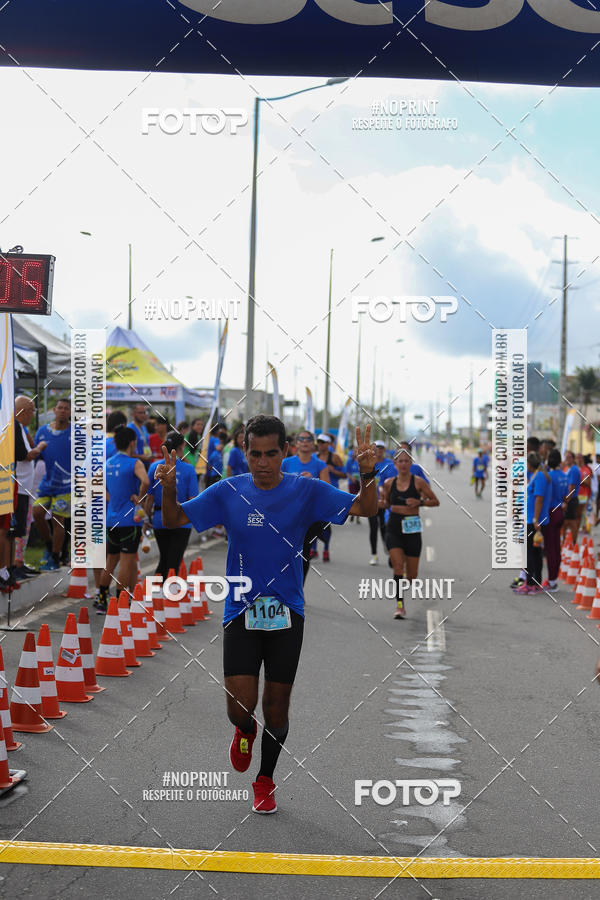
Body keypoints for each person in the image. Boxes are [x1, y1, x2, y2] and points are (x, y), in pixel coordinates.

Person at [155, 415, 378, 814]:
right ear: (245, 453)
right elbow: (173, 520)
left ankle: (265, 780)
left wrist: (367, 472)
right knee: (238, 707)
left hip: (287, 612)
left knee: (277, 708)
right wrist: (168, 490)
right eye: (254, 454)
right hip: (240, 610)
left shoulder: (306, 490)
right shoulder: (228, 491)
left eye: (271, 454)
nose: (262, 463)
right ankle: (244, 730)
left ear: (285, 452)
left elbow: (366, 507)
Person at [382, 446, 440, 619]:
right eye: (400, 461)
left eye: (407, 461)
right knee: (398, 566)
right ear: (395, 464)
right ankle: (400, 606)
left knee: (412, 576)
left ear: (411, 463)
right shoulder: (388, 483)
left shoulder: (418, 482)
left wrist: (419, 502)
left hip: (412, 527)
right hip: (393, 526)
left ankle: (405, 571)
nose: (404, 464)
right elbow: (385, 504)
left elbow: (435, 501)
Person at [96, 426, 149, 612]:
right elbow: (146, 482)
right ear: (132, 442)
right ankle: (120, 600)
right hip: (129, 520)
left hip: (111, 519)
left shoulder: (108, 462)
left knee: (111, 560)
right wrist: (139, 498)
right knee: (126, 561)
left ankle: (101, 598)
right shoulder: (135, 463)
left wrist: (112, 499)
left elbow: (98, 486)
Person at [146, 431, 198, 580]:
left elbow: (149, 498)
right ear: (182, 446)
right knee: (173, 562)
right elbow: (193, 498)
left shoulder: (154, 467)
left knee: (165, 559)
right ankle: (165, 597)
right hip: (181, 522)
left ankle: (157, 594)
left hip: (159, 519)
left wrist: (146, 520)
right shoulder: (188, 469)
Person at [281, 430, 329, 577]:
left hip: (309, 518)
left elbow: (327, 491)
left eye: (308, 439)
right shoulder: (286, 463)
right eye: (301, 439)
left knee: (303, 555)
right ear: (296, 443)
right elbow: (276, 486)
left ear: (312, 443)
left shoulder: (320, 465)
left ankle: (298, 592)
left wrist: (313, 481)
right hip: (287, 515)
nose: (305, 441)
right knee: (284, 554)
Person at [33, 399, 71, 571]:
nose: (62, 411)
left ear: (70, 412)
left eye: (66, 409)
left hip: (67, 485)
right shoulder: (42, 432)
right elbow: (35, 457)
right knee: (37, 513)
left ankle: (56, 557)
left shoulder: (77, 433)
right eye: (60, 408)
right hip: (48, 484)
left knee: (58, 520)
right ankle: (50, 547)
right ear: (54, 410)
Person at [12, 396, 46, 581]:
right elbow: (27, 455)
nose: (33, 415)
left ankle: (19, 561)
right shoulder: (14, 427)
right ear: (23, 411)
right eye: (32, 411)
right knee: (16, 529)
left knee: (23, 527)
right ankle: (14, 564)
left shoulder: (21, 429)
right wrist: (41, 446)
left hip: (24, 488)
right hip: (19, 488)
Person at [514, 452, 551, 595]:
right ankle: (535, 582)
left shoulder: (540, 476)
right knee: (535, 552)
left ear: (530, 464)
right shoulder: (537, 474)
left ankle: (530, 583)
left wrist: (536, 519)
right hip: (531, 519)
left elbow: (539, 499)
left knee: (529, 552)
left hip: (533, 521)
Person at [315, 434, 346, 562]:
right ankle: (313, 549)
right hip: (316, 495)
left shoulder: (335, 458)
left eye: (323, 442)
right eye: (319, 442)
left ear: (329, 444)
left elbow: (344, 474)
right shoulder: (314, 458)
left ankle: (326, 548)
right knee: (313, 522)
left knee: (326, 523)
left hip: (330, 495)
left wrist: (332, 470)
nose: (321, 444)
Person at [541, 449, 568, 592]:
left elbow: (545, 497)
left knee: (550, 549)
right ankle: (553, 579)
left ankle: (552, 582)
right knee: (556, 548)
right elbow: (565, 497)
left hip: (550, 513)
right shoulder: (564, 475)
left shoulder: (549, 476)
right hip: (559, 512)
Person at [368, 441, 395, 566]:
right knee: (373, 528)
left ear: (384, 450)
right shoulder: (368, 463)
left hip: (385, 503)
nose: (378, 450)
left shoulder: (390, 465)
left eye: (381, 448)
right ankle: (374, 555)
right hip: (371, 502)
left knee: (384, 528)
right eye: (376, 448)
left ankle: (387, 546)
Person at [561, 450, 581, 543]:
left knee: (570, 522)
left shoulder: (573, 469)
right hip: (570, 499)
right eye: (566, 457)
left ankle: (571, 543)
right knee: (566, 523)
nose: (567, 459)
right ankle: (568, 543)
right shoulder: (570, 469)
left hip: (571, 499)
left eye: (569, 457)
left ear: (573, 459)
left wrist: (566, 501)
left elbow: (571, 487)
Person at [576, 452, 593, 534]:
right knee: (578, 513)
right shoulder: (575, 468)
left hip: (583, 494)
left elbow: (588, 483)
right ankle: (581, 527)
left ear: (582, 459)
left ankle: (584, 528)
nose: (577, 460)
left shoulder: (585, 469)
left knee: (582, 513)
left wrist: (578, 481)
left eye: (579, 458)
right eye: (576, 458)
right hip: (576, 494)